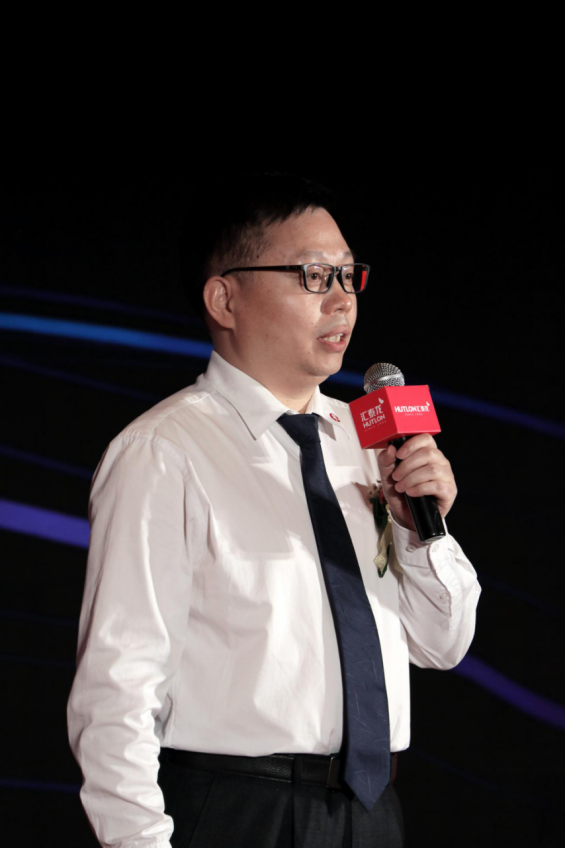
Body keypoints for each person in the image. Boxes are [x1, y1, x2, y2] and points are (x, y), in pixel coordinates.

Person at [67, 173, 481, 848]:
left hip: (373, 814)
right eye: (314, 276)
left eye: (349, 276)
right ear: (225, 299)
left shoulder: (367, 441)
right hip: (241, 812)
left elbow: (443, 644)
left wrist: (419, 534)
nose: (342, 299)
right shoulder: (163, 452)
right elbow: (116, 692)